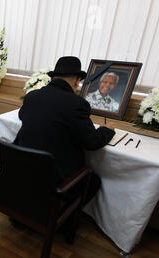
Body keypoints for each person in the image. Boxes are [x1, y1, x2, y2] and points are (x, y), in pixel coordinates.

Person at [13, 56, 115, 209]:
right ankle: (63, 221)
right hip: (54, 176)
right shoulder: (77, 104)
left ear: (53, 77)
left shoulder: (32, 96)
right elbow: (91, 142)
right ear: (77, 81)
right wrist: (107, 130)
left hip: (25, 168)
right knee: (93, 180)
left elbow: (22, 116)